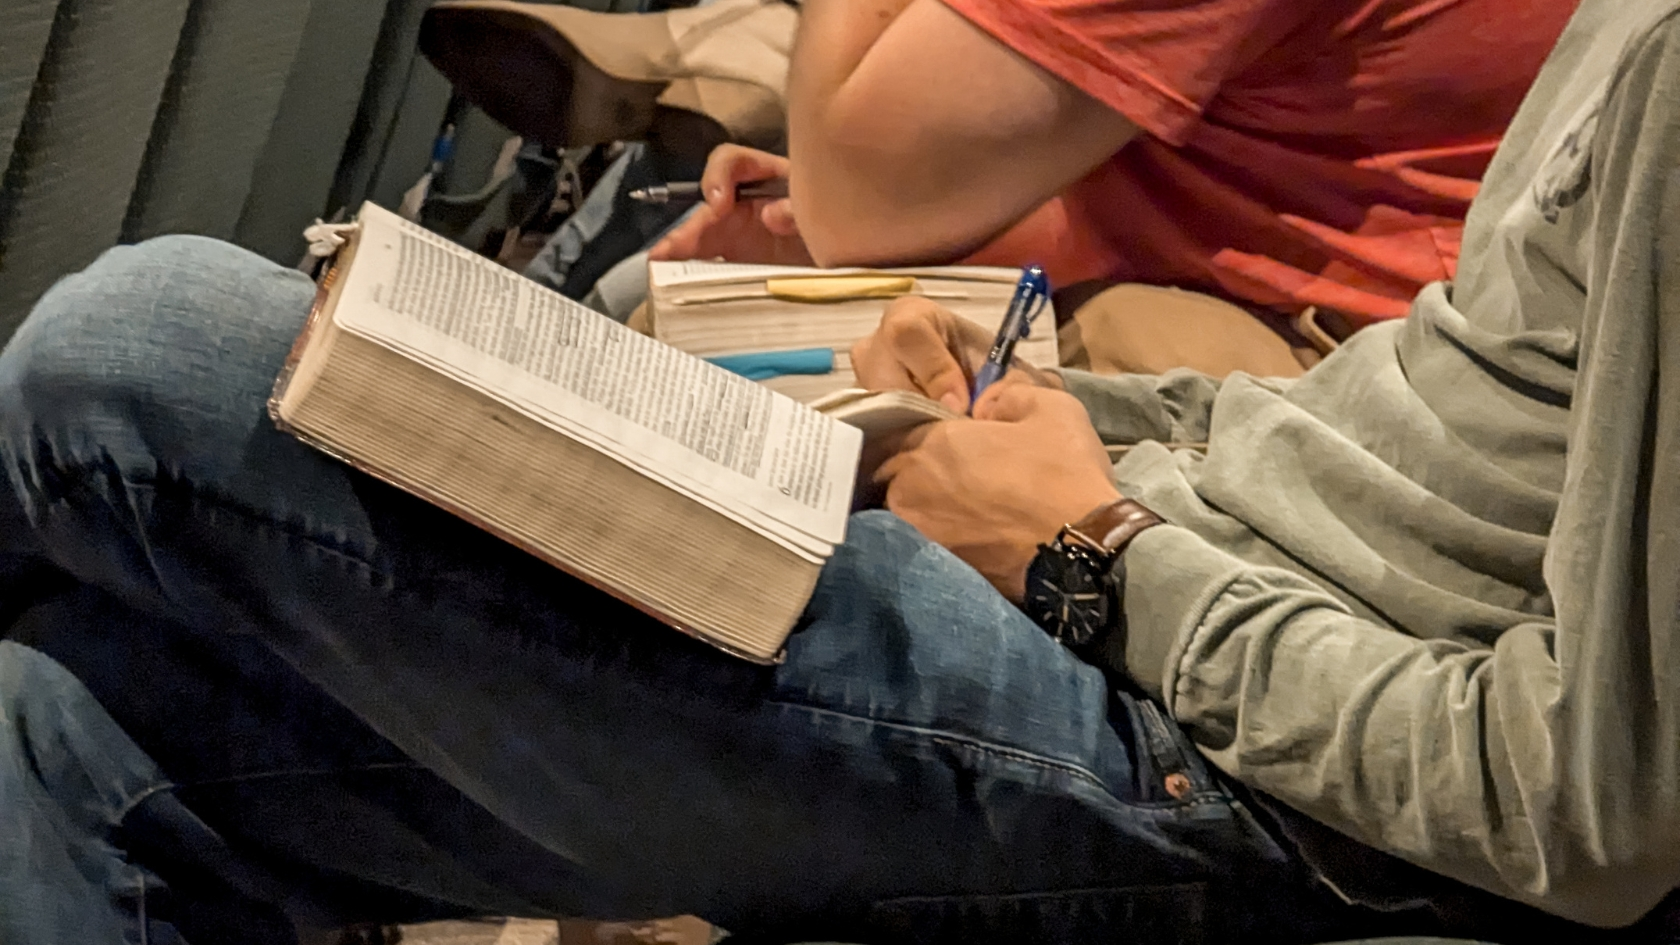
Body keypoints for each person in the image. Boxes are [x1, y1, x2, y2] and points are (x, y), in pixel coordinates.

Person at [5, 2, 1680, 945]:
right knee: (65, 723)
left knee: (141, 355)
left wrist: (1088, 552)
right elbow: (1442, 411)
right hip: (1176, 513)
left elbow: (1592, 818)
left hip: (1229, 741)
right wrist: (1063, 425)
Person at [647, 0, 1581, 337]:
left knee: (679, 355)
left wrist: (857, 190)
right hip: (1354, 299)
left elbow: (859, 202)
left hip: (1346, 391)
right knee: (699, 293)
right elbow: (1202, 192)